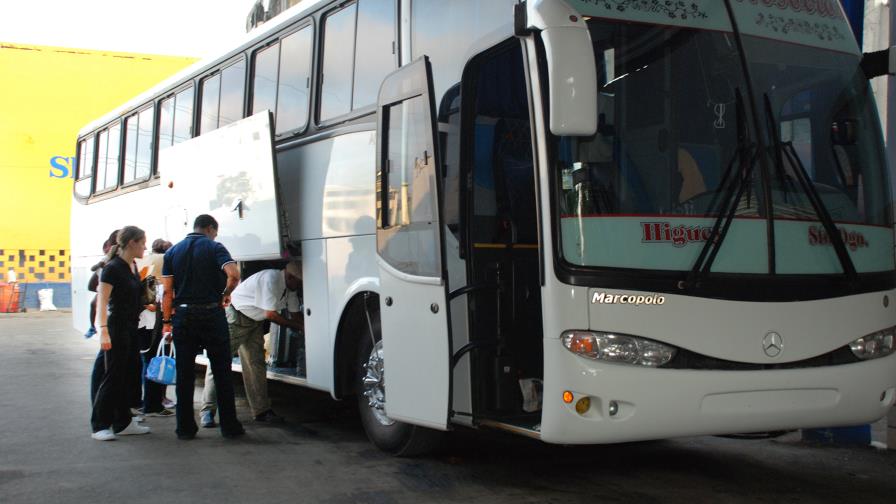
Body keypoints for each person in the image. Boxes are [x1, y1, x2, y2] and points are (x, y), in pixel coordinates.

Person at [161, 214, 244, 440]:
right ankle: (229, 427)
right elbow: (234, 275)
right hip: (211, 313)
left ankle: (185, 428)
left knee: (185, 374)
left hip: (184, 316)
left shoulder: (172, 252)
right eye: (214, 232)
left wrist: (167, 321)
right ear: (209, 229)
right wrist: (225, 294)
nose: (215, 235)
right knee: (222, 372)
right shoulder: (215, 247)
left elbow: (168, 291)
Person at [200, 263, 303, 427]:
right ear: (290, 277)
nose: (299, 286)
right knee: (219, 363)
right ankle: (207, 410)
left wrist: (306, 326)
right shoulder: (271, 279)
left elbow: (295, 314)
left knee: (256, 365)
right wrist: (298, 326)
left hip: (254, 322)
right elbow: (271, 315)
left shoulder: (289, 287)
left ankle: (261, 410)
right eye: (298, 282)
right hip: (236, 319)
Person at [90, 226, 152, 441]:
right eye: (143, 242)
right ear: (132, 243)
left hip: (131, 327)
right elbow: (102, 301)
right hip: (116, 327)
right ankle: (100, 424)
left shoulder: (131, 267)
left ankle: (123, 422)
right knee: (113, 376)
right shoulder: (112, 268)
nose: (145, 246)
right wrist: (104, 331)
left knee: (129, 375)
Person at [133, 239, 175, 417]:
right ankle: (153, 404)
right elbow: (166, 292)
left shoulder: (142, 262)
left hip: (143, 322)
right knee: (155, 360)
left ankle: (148, 402)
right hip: (152, 322)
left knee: (148, 361)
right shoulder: (165, 261)